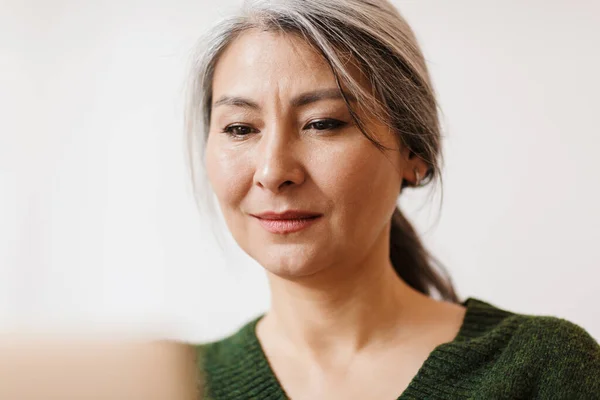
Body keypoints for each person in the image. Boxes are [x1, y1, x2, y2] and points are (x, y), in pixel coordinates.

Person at [185, 0, 600, 398]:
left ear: (414, 152)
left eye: (323, 123)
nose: (273, 172)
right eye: (239, 128)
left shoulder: (543, 368)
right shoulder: (176, 385)